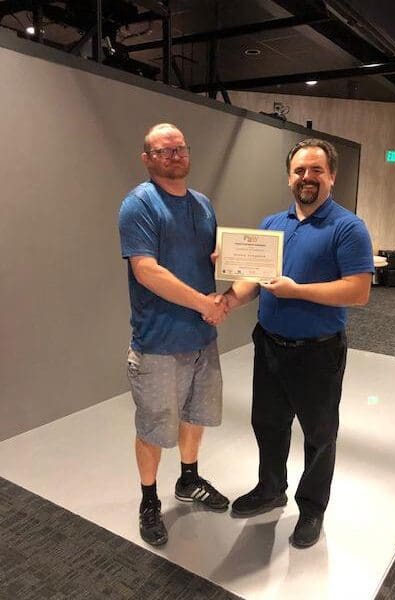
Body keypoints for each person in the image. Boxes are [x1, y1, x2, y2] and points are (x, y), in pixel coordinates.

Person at [224, 138, 374, 548]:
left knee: (319, 434)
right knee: (268, 424)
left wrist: (297, 291)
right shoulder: (272, 225)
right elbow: (252, 281)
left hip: (318, 352)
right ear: (289, 177)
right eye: (300, 171)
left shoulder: (348, 227)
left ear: (332, 177)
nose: (307, 178)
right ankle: (271, 489)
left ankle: (311, 509)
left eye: (316, 171)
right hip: (270, 345)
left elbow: (358, 291)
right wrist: (226, 302)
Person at [118, 123, 229, 547]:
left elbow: (207, 259)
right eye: (163, 151)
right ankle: (149, 500)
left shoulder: (202, 204)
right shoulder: (139, 204)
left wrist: (227, 260)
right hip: (159, 342)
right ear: (147, 158)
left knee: (194, 415)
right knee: (153, 427)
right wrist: (204, 304)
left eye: (180, 148)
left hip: (201, 337)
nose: (174, 155)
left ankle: (188, 479)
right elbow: (146, 271)